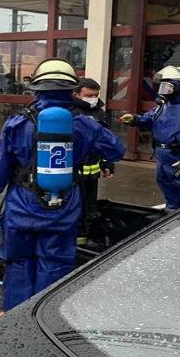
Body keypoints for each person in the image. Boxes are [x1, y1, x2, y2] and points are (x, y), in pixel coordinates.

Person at [0, 59, 126, 311]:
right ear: (72, 90)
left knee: (19, 263)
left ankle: (15, 317)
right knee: (55, 264)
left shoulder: (17, 123)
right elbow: (118, 149)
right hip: (63, 208)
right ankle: (43, 322)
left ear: (36, 90)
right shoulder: (84, 123)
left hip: (21, 206)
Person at [120, 66, 180, 212]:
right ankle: (171, 222)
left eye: (168, 86)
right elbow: (151, 118)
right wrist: (136, 119)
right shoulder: (164, 105)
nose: (164, 90)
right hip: (164, 156)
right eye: (162, 86)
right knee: (167, 188)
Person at [71, 77, 114, 245]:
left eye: (96, 95)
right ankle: (76, 243)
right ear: (76, 94)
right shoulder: (70, 112)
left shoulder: (98, 112)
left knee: (90, 209)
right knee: (76, 211)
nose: (94, 98)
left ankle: (86, 241)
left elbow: (105, 140)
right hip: (75, 174)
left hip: (92, 174)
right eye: (89, 95)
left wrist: (107, 163)